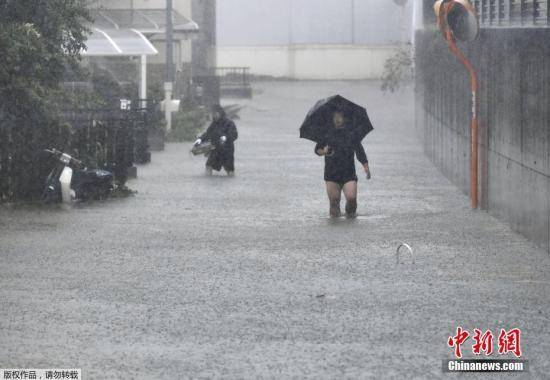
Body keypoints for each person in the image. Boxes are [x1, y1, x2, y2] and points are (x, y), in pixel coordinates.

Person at [315, 110, 370, 218]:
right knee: (334, 202)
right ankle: (335, 226)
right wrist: (324, 151)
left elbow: (359, 150)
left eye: (340, 116)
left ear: (344, 118)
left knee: (351, 198)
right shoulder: (326, 133)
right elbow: (317, 150)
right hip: (332, 173)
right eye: (335, 116)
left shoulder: (351, 133)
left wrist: (366, 166)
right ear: (332, 118)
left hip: (348, 173)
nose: (337, 119)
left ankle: (351, 218)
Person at [194, 105, 238, 176]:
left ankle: (231, 179)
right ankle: (208, 179)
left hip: (227, 151)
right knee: (208, 166)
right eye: (212, 114)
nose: (213, 116)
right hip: (216, 149)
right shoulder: (214, 123)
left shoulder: (229, 123)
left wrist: (226, 137)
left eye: (214, 114)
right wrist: (200, 139)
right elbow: (208, 133)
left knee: (229, 170)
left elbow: (234, 135)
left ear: (219, 113)